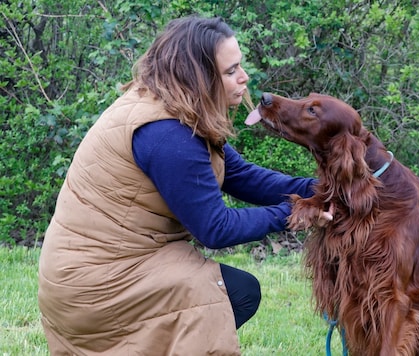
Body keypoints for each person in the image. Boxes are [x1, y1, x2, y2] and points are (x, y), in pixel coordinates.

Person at [38, 16, 329, 355]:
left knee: (231, 292)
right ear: (199, 76)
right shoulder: (168, 134)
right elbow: (215, 229)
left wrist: (320, 190)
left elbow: (241, 176)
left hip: (97, 270)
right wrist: (298, 212)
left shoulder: (172, 108)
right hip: (95, 287)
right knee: (237, 292)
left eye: (241, 66)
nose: (244, 77)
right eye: (231, 70)